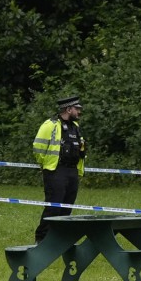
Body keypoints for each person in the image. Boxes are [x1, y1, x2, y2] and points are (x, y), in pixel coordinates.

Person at [32, 95, 86, 242]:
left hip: (72, 171)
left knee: (67, 208)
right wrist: (46, 165)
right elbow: (38, 147)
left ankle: (59, 239)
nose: (79, 112)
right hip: (56, 171)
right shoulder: (50, 125)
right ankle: (41, 239)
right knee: (53, 207)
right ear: (68, 109)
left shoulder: (76, 127)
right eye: (77, 109)